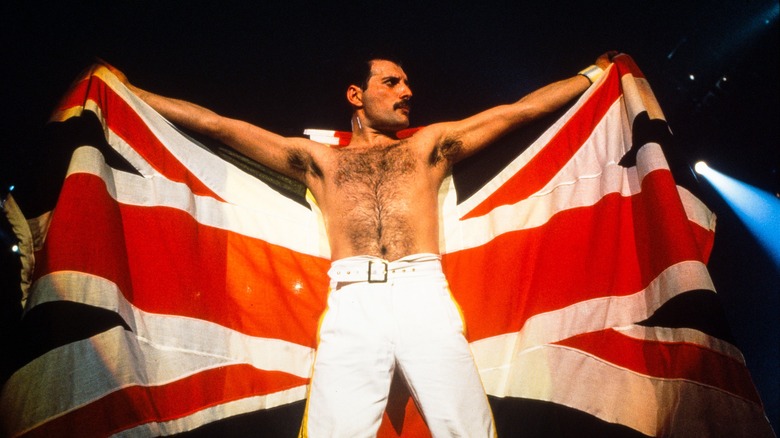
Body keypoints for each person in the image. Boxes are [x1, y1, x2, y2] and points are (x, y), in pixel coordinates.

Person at [107, 51, 614, 437]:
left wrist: (591, 77)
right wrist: (130, 93)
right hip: (352, 300)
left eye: (407, 83)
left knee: (467, 428)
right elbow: (219, 125)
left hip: (423, 293)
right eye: (392, 81)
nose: (406, 91)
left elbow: (517, 112)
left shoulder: (428, 146)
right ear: (356, 94)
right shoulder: (320, 161)